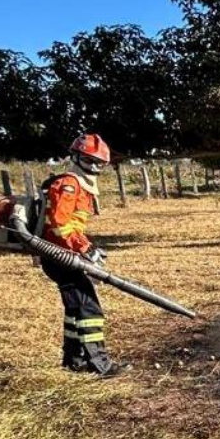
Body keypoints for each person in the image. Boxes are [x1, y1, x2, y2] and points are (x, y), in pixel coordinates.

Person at [40, 133, 129, 377]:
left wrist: (87, 247)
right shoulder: (68, 184)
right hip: (59, 256)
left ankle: (74, 360)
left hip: (64, 254)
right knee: (89, 310)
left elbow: (72, 226)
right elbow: (59, 226)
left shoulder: (80, 184)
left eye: (99, 163)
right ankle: (99, 364)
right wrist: (83, 247)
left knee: (75, 309)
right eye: (89, 161)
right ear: (76, 157)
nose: (94, 167)